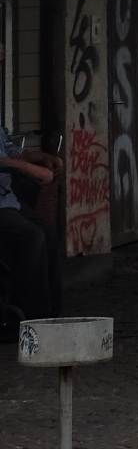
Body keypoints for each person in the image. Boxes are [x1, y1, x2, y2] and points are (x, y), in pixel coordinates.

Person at [0, 128, 63, 318]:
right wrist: (27, 167)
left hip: (6, 198)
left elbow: (6, 148)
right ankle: (30, 315)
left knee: (48, 231)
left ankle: (52, 313)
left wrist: (39, 157)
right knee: (32, 237)